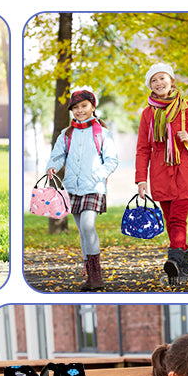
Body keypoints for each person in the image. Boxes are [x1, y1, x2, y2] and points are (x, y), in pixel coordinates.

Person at [135, 62, 188, 285]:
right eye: (154, 80)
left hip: (183, 170)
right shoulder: (147, 114)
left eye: (162, 78)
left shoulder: (187, 107)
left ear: (171, 80)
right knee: (171, 222)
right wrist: (141, 179)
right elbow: (143, 148)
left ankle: (172, 262)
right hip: (159, 172)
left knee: (178, 220)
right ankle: (183, 268)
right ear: (150, 86)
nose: (159, 83)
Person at [44, 87, 119, 291]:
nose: (80, 110)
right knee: (82, 232)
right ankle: (90, 277)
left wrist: (98, 175)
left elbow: (111, 160)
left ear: (93, 107)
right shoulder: (67, 134)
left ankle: (97, 274)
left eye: (84, 106)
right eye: (75, 107)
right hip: (72, 188)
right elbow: (58, 155)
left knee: (87, 226)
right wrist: (52, 166)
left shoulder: (103, 133)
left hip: (93, 187)